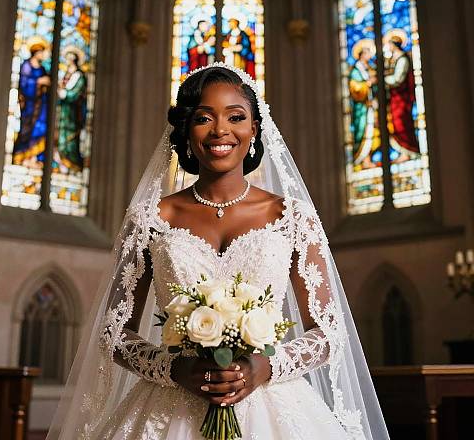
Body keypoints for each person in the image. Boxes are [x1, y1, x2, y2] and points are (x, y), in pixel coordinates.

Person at [47, 63, 389, 440]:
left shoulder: (292, 217)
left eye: (236, 117)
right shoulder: (150, 218)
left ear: (254, 129)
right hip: (169, 405)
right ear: (186, 131)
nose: (220, 131)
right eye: (203, 118)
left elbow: (327, 330)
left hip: (274, 404)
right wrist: (175, 369)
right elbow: (113, 332)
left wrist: (265, 366)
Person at [12, 40, 50, 168]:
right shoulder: (27, 66)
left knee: (40, 129)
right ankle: (22, 156)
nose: (43, 55)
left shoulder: (43, 68)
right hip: (29, 105)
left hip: (41, 107)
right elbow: (24, 84)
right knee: (26, 131)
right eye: (41, 52)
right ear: (36, 52)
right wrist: (39, 82)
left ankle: (36, 158)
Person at [384, 35, 419, 163]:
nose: (389, 47)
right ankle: (404, 151)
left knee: (402, 122)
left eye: (390, 44)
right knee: (395, 122)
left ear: (394, 45)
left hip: (402, 98)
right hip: (395, 98)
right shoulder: (392, 59)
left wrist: (382, 80)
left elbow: (398, 79)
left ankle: (409, 151)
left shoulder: (402, 59)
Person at [55, 49, 87, 173]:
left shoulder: (79, 76)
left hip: (73, 113)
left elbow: (75, 93)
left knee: (70, 139)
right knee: (60, 137)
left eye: (70, 59)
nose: (67, 61)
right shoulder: (66, 73)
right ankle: (61, 161)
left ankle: (71, 163)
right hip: (63, 111)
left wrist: (64, 93)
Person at [349, 42, 379, 169]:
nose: (369, 56)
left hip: (372, 107)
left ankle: (369, 159)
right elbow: (354, 87)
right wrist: (367, 84)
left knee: (374, 133)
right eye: (367, 53)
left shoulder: (370, 68)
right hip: (361, 109)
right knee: (363, 133)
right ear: (361, 54)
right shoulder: (356, 69)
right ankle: (363, 160)